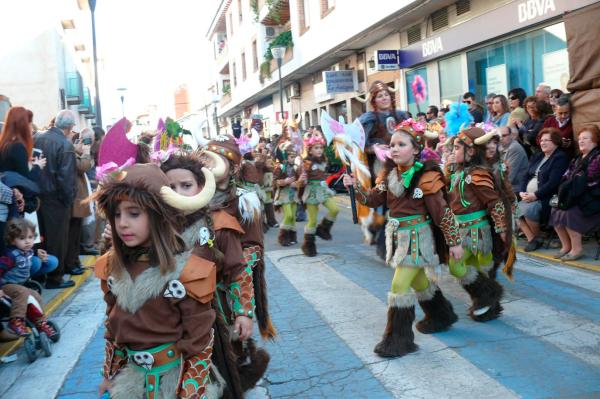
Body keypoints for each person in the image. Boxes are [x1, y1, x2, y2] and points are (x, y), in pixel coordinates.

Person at [95, 163, 218, 399]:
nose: (122, 223)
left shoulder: (187, 271)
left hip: (177, 380)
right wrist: (109, 376)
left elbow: (199, 341)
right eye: (117, 214)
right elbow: (113, 329)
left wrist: (190, 392)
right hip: (131, 381)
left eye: (134, 213)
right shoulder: (112, 268)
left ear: (158, 216)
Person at [343, 120, 462, 358]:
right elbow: (373, 200)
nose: (394, 149)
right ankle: (441, 315)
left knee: (399, 286)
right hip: (397, 236)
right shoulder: (389, 175)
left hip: (418, 238)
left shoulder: (427, 177)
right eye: (391, 145)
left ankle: (398, 340)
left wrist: (454, 241)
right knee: (418, 282)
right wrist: (354, 187)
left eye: (401, 144)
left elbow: (442, 211)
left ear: (416, 149)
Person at [447, 126, 512, 321]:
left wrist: (502, 229)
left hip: (477, 232)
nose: (453, 152)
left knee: (468, 268)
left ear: (471, 151)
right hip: (459, 230)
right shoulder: (458, 172)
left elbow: (494, 202)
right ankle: (488, 299)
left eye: (457, 148)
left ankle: (488, 300)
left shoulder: (477, 174)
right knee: (465, 268)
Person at [34, 110, 77, 289]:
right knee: (57, 239)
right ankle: (55, 278)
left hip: (36, 197)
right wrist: (68, 200)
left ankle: (42, 276)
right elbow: (65, 178)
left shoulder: (37, 137)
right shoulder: (64, 144)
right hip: (56, 199)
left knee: (40, 238)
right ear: (69, 127)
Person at [0, 219, 59, 340]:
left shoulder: (28, 252)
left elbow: (28, 257)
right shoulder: (10, 255)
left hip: (20, 285)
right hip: (6, 286)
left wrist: (38, 255)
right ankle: (16, 321)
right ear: (12, 240)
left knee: (35, 295)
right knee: (23, 292)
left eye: (30, 237)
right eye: (22, 238)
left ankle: (41, 322)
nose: (27, 241)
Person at [550, 125, 600, 261]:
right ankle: (566, 246)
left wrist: (572, 185)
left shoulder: (597, 157)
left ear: (595, 140)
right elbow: (566, 176)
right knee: (556, 210)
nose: (581, 141)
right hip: (576, 195)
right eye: (580, 139)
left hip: (592, 199)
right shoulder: (577, 158)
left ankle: (577, 249)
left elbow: (592, 182)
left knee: (569, 213)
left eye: (585, 138)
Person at [518, 128, 569, 251]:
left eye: (547, 140)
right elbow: (526, 175)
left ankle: (538, 237)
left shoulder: (560, 157)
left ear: (556, 142)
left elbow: (553, 183)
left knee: (529, 210)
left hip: (547, 196)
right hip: (530, 195)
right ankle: (533, 239)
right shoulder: (538, 155)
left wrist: (535, 195)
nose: (543, 143)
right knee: (513, 209)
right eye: (541, 140)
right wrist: (521, 191)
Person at [300, 133, 339, 257]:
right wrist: (302, 178)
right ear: (310, 150)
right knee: (312, 220)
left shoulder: (324, 160)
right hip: (311, 191)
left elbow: (323, 175)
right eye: (316, 148)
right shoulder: (307, 162)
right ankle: (308, 245)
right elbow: (301, 177)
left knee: (335, 209)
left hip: (322, 189)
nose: (319, 150)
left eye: (321, 148)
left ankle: (322, 229)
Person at [65, 129, 94, 276]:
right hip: (74, 198)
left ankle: (75, 261)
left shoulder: (71, 150)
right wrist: (86, 152)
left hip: (77, 197)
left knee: (76, 234)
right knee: (72, 234)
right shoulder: (67, 150)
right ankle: (71, 263)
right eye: (72, 134)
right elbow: (83, 166)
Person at [0, 106, 46, 181]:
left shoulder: (4, 143)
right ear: (23, 124)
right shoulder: (17, 146)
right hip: (15, 190)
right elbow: (25, 179)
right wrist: (38, 166)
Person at [274, 141, 303, 246]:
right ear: (286, 157)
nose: (293, 159)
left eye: (294, 156)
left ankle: (292, 237)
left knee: (293, 216)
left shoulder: (296, 167)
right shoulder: (280, 167)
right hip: (284, 194)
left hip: (294, 194)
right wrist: (284, 182)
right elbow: (275, 181)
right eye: (291, 156)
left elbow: (301, 180)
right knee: (289, 215)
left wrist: (297, 183)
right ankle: (282, 237)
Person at [499, 126, 528, 198]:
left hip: (516, 189)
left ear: (511, 135)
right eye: (499, 136)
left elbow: (509, 177)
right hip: (507, 187)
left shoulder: (514, 148)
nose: (501, 138)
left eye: (504, 135)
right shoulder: (501, 146)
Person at [542, 95, 575, 159]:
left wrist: (570, 144)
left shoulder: (573, 123)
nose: (563, 116)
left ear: (570, 111)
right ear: (555, 110)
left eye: (566, 113)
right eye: (560, 113)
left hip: (566, 156)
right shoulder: (549, 121)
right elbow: (538, 138)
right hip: (548, 156)